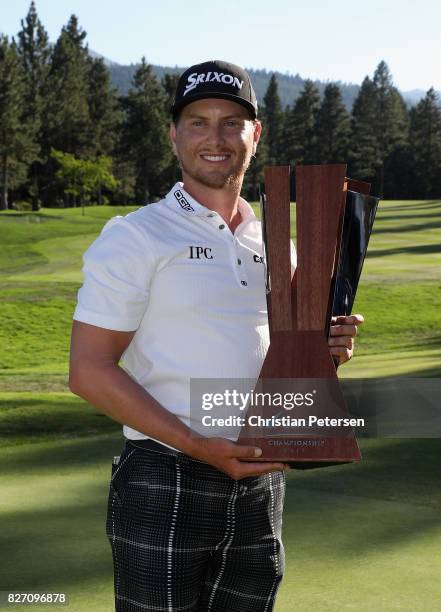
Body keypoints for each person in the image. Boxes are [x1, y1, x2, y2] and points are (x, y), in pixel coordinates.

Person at [69, 59, 363, 612]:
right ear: (174, 134)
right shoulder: (136, 236)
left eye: (232, 122)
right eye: (198, 122)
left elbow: (280, 366)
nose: (215, 138)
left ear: (256, 134)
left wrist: (326, 355)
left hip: (261, 480)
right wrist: (201, 447)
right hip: (166, 476)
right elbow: (88, 371)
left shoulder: (276, 243)